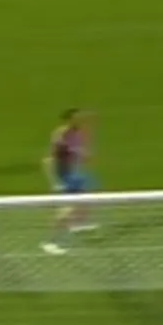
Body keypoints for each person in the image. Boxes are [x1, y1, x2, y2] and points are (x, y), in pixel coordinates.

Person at [41, 109, 97, 255]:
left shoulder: (76, 133)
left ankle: (78, 223)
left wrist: (83, 155)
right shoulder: (61, 136)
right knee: (66, 209)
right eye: (77, 118)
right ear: (69, 120)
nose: (80, 120)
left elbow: (77, 152)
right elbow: (48, 160)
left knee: (85, 196)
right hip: (64, 176)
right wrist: (55, 182)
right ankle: (51, 242)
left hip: (73, 174)